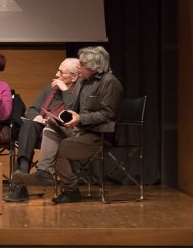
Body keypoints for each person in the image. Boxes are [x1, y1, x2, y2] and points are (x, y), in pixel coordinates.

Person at [12, 46, 123, 204]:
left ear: (94, 66)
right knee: (50, 129)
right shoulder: (83, 82)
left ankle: (71, 189)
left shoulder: (110, 83)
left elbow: (108, 115)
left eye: (82, 64)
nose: (79, 66)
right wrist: (59, 118)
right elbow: (71, 107)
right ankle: (44, 172)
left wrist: (81, 118)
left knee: (62, 147)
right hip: (79, 131)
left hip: (98, 134)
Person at [4, 58, 80, 203]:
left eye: (61, 72)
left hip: (61, 131)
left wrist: (65, 90)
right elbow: (32, 109)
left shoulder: (78, 91)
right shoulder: (51, 89)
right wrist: (37, 116)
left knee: (36, 129)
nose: (57, 75)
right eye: (58, 70)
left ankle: (18, 186)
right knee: (28, 125)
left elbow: (73, 111)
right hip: (41, 131)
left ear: (75, 76)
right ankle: (22, 173)